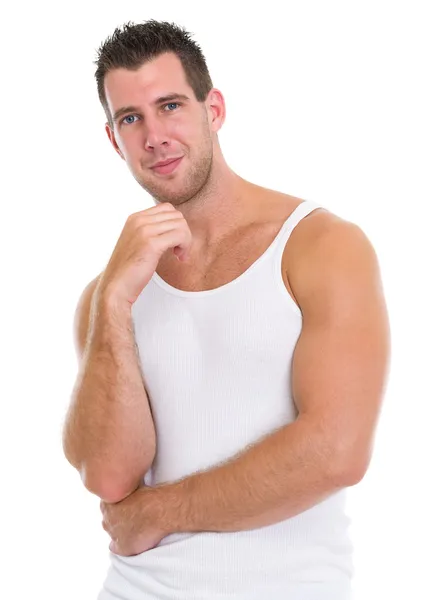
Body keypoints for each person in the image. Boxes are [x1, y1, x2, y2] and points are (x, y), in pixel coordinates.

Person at [62, 19, 391, 600]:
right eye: (130, 119)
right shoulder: (108, 294)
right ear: (113, 139)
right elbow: (110, 475)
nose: (154, 136)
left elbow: (336, 452)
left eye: (170, 106)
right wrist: (114, 300)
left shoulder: (321, 247)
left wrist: (156, 511)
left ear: (212, 109)